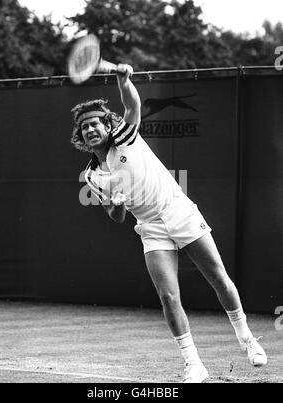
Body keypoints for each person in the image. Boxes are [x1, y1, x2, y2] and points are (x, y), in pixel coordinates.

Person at [71, 64, 267, 383]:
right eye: (85, 128)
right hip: (149, 227)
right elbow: (114, 215)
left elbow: (133, 107)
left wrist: (124, 81)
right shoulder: (92, 176)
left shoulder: (124, 137)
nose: (91, 129)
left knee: (217, 277)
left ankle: (247, 340)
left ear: (107, 125)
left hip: (178, 211)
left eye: (96, 123)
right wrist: (118, 204)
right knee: (168, 296)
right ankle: (193, 364)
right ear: (80, 136)